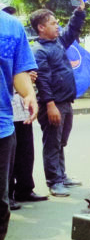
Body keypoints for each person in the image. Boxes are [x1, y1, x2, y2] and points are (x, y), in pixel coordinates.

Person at [30, 0, 86, 197]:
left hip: (65, 102)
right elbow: (42, 81)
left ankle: (61, 176)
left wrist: (79, 12)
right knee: (52, 144)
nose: (57, 26)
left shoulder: (58, 43)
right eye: (53, 23)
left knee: (60, 142)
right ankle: (54, 182)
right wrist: (50, 105)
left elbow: (72, 30)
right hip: (52, 105)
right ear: (41, 27)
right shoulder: (39, 51)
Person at [1, 7, 38, 240]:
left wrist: (29, 94)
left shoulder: (11, 26)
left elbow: (18, 69)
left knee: (0, 198)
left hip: (1, 128)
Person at [9, 71, 47, 209]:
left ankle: (25, 190)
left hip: (22, 110)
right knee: (8, 157)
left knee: (26, 154)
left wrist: (26, 79)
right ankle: (7, 195)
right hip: (6, 113)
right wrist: (18, 80)